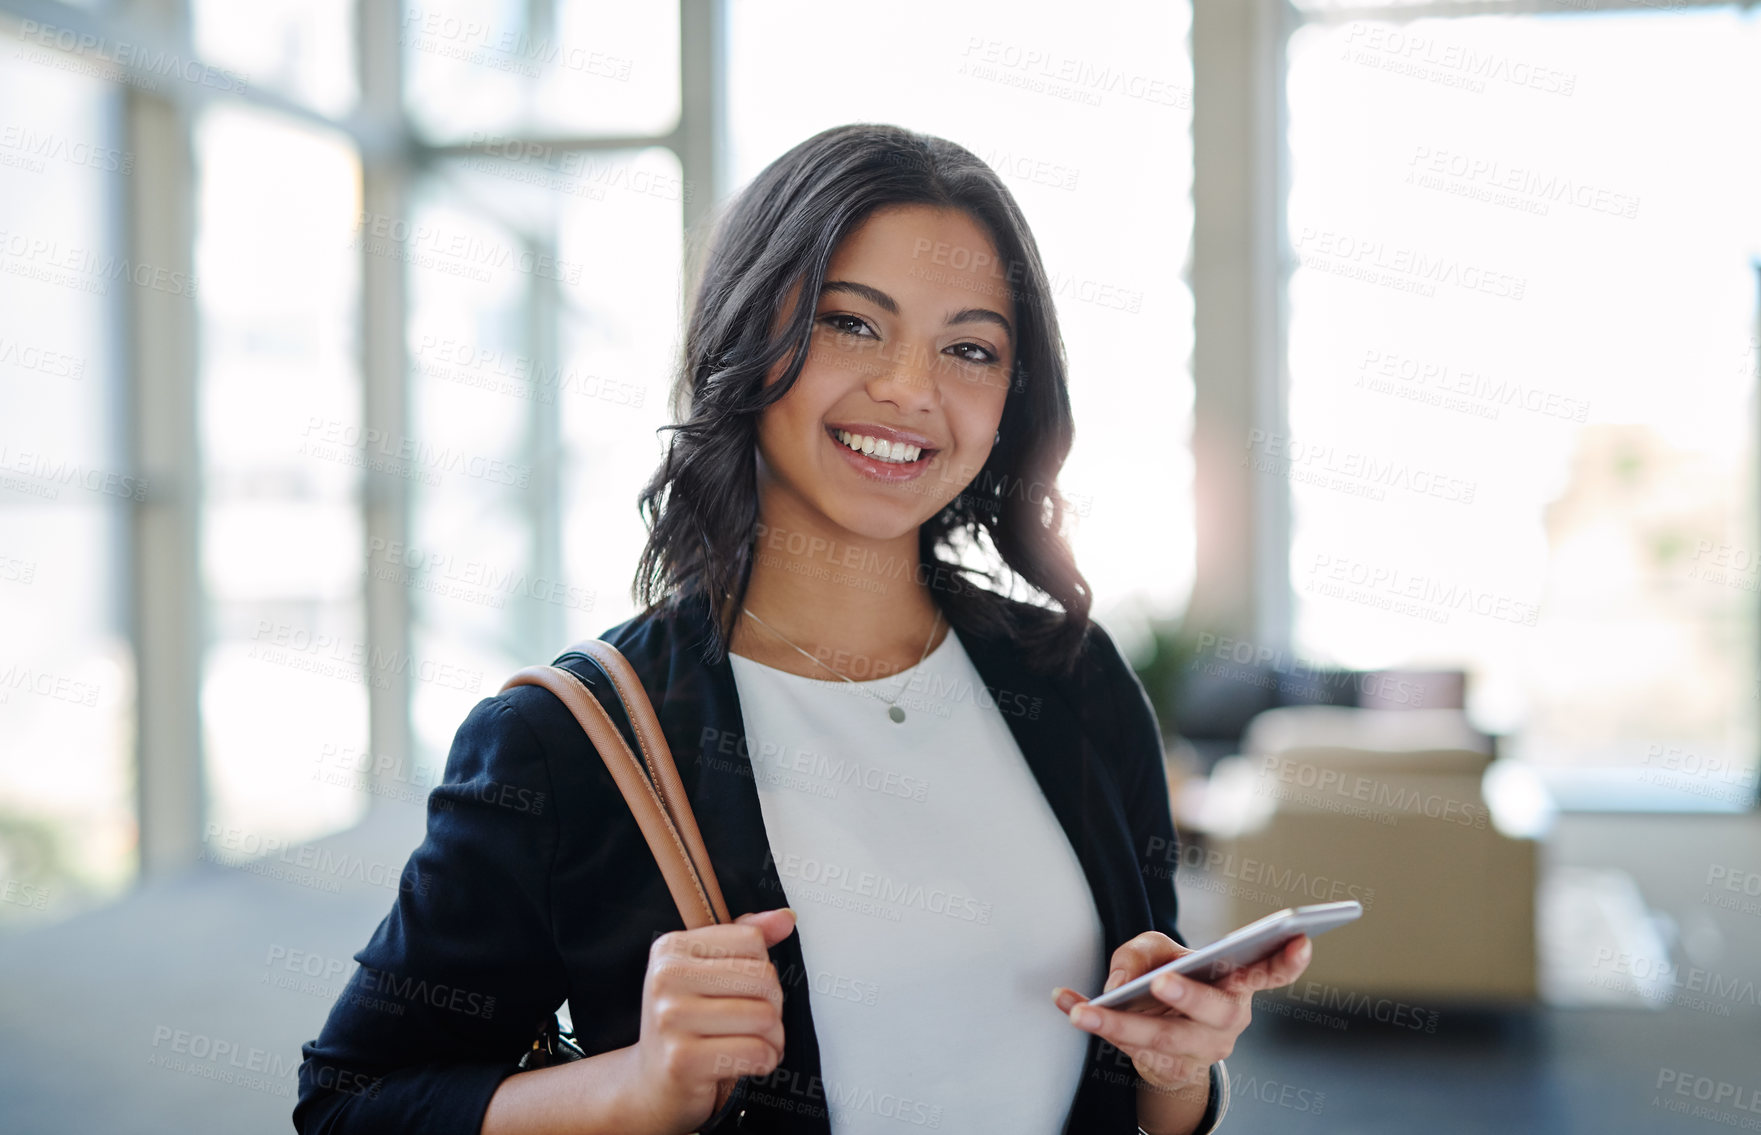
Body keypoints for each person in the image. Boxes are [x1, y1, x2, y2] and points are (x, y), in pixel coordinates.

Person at [293, 122, 1311, 1135]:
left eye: (969, 348)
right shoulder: (568, 742)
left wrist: (1179, 1064)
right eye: (850, 323)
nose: (910, 389)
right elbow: (350, 1105)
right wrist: (638, 1088)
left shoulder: (1074, 679)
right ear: (747, 337)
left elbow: (1156, 1076)